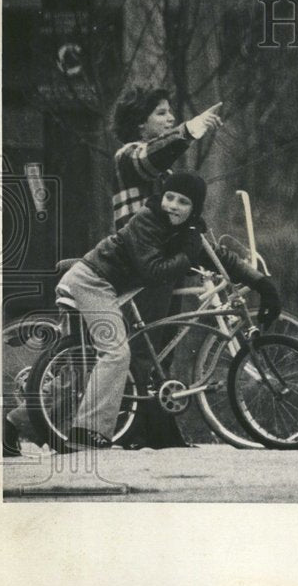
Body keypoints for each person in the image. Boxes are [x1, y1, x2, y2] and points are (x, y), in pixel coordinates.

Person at [57, 172, 281, 449]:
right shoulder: (147, 220)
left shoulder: (186, 233)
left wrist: (263, 284)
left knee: (92, 363)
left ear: (194, 209)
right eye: (170, 197)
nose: (173, 205)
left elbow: (222, 258)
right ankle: (86, 432)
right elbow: (152, 271)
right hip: (92, 281)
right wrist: (187, 254)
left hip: (110, 287)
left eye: (183, 202)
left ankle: (21, 422)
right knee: (116, 353)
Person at [108, 86, 224, 448]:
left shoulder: (163, 167)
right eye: (161, 113)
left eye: (171, 112)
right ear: (140, 124)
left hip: (159, 263)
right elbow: (149, 159)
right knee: (145, 348)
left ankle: (157, 432)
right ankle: (137, 431)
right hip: (140, 265)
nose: (170, 118)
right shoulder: (128, 156)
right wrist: (189, 130)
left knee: (161, 349)